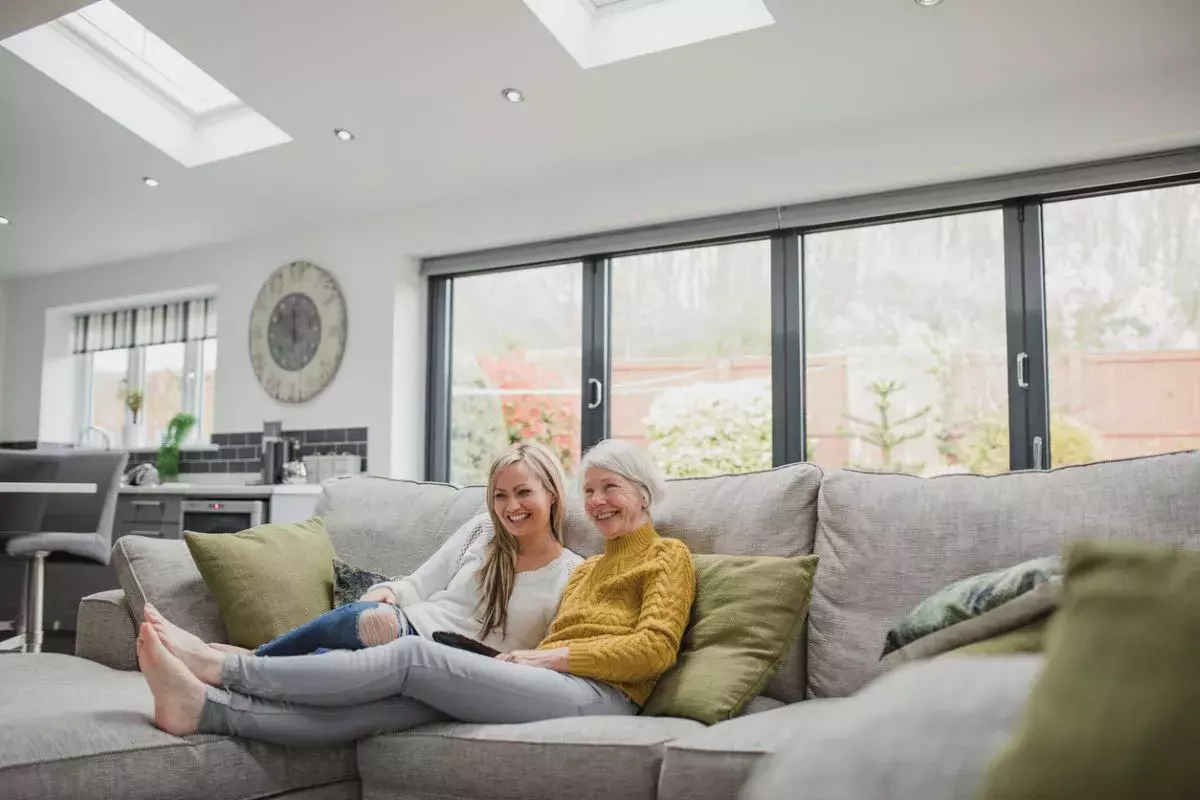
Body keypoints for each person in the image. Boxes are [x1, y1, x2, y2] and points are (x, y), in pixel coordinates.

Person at [139, 438, 697, 746]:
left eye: (611, 489)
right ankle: (206, 713)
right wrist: (540, 660)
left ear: (644, 494)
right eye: (591, 490)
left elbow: (654, 649)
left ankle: (226, 672)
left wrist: (553, 657)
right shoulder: (592, 568)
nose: (597, 501)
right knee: (385, 709)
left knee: (408, 653)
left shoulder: (667, 556)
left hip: (602, 695)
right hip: (547, 679)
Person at [152, 440, 583, 660]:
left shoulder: (572, 572)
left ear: (551, 492)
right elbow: (416, 585)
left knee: (349, 649)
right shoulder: (481, 531)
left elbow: (555, 648)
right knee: (368, 625)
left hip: (461, 660)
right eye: (499, 495)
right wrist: (391, 594)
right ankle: (246, 663)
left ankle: (247, 662)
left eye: (523, 492)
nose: (510, 507)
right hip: (413, 627)